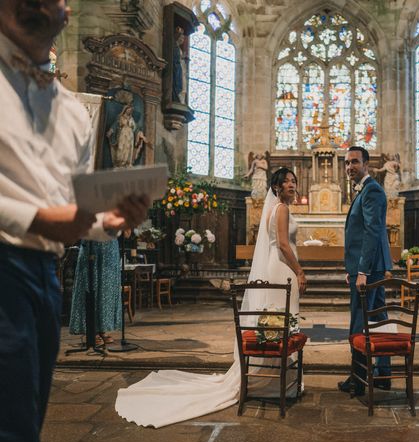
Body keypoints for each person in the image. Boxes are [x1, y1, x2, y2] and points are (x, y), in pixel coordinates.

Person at [0, 1, 150, 442]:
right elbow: (45, 213)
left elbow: (73, 212)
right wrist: (35, 217)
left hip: (42, 275)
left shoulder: (72, 112)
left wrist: (113, 221)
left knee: (22, 431)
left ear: (65, 12)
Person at [115, 168, 307, 427]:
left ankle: (270, 378)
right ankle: (274, 382)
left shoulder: (275, 209)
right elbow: (284, 245)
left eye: (294, 181)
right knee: (280, 319)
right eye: (287, 182)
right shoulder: (281, 209)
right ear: (276, 187)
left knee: (273, 319)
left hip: (276, 267)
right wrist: (299, 271)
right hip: (283, 268)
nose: (292, 185)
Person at [339, 146, 393, 396]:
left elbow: (372, 233)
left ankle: (358, 378)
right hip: (372, 268)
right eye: (347, 163)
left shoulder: (371, 190)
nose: (349, 167)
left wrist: (361, 271)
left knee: (359, 322)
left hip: (368, 270)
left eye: (354, 162)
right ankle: (383, 373)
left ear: (366, 164)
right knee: (379, 318)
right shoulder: (366, 190)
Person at [69, 239, 122, 346]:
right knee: (90, 285)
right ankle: (91, 331)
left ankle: (102, 329)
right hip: (92, 245)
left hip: (109, 249)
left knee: (106, 290)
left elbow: (127, 233)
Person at [106, 104, 149, 168]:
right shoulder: (121, 117)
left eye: (131, 110)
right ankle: (120, 163)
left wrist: (142, 136)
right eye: (128, 109)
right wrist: (111, 131)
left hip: (130, 136)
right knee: (121, 147)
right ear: (125, 110)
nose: (129, 111)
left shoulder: (131, 119)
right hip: (123, 134)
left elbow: (136, 129)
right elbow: (115, 125)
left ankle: (127, 163)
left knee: (129, 148)